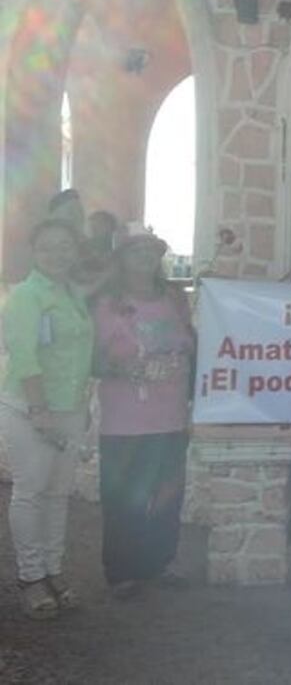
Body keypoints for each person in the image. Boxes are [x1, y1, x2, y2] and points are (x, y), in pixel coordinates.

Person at [92, 226, 195, 597]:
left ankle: (159, 563)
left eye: (151, 251)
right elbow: (91, 359)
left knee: (167, 494)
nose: (145, 258)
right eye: (136, 252)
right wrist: (120, 369)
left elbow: (190, 343)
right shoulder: (106, 302)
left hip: (170, 415)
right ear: (122, 258)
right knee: (124, 498)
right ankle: (121, 571)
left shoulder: (174, 297)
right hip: (125, 419)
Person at [0, 220, 93, 619]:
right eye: (48, 247)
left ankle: (54, 570)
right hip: (30, 408)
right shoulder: (26, 295)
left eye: (65, 246)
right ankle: (31, 576)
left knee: (59, 494)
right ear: (34, 252)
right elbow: (24, 355)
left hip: (69, 407)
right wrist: (39, 410)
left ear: (76, 250)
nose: (58, 254)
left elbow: (79, 353)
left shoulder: (73, 293)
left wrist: (81, 403)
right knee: (31, 490)